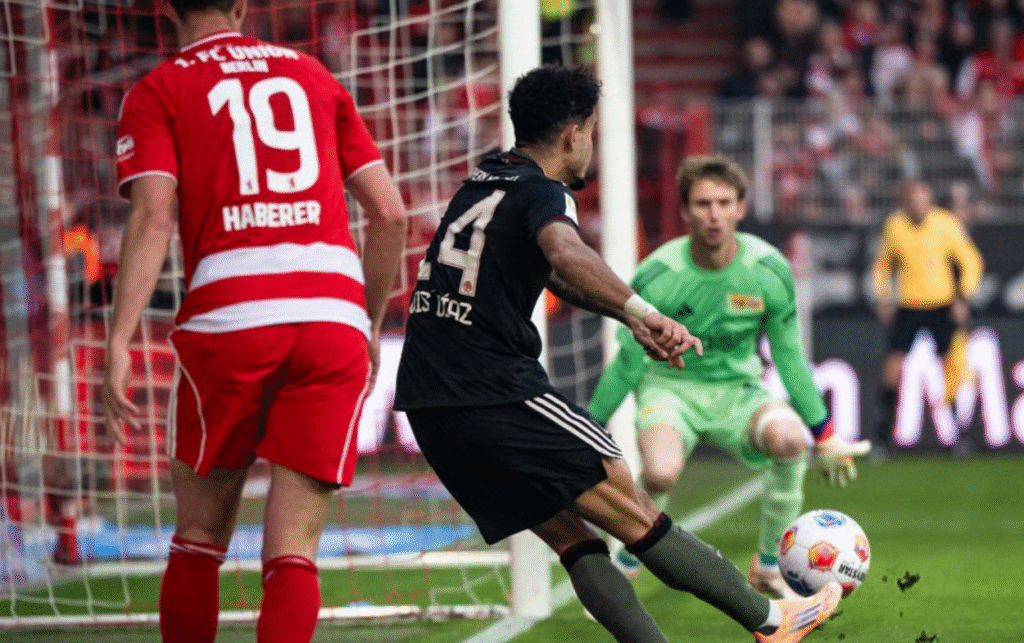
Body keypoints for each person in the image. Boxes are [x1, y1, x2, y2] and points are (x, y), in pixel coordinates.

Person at [395, 65, 841, 643]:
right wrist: (643, 311)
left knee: (573, 538)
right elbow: (563, 250)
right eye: (594, 133)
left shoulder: (483, 181)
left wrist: (628, 320)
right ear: (573, 135)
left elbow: (555, 277)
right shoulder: (543, 192)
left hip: (430, 403)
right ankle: (772, 619)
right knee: (630, 504)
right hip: (493, 389)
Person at [101, 0, 408, 640]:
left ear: (165, 8)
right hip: (331, 319)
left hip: (230, 315)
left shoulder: (159, 88)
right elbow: (391, 215)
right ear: (242, 5)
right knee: (294, 548)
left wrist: (121, 336)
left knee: (200, 535)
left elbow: (154, 215)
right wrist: (368, 321)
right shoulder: (313, 75)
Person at [588, 154, 872, 601]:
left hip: (740, 392)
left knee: (789, 440)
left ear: (741, 207)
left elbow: (789, 356)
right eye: (702, 204)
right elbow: (628, 363)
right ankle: (624, 563)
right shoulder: (659, 276)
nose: (714, 214)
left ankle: (768, 565)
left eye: (724, 202)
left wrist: (827, 433)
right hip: (670, 388)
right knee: (661, 473)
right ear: (685, 211)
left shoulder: (768, 271)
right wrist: (587, 429)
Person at [871, 179, 983, 454]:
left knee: (951, 370)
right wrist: (883, 297)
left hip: (942, 306)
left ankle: (960, 437)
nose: (918, 206)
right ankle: (881, 439)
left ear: (930, 201)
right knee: (892, 370)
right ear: (905, 202)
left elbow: (971, 261)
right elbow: (883, 265)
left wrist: (963, 297)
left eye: (923, 200)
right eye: (913, 200)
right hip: (908, 306)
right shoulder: (895, 226)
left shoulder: (946, 224)